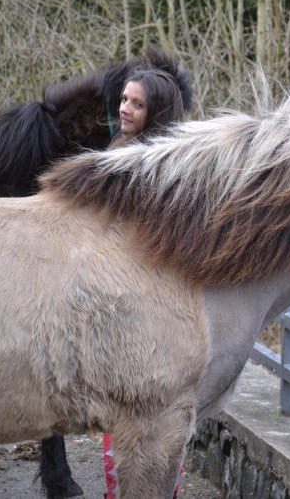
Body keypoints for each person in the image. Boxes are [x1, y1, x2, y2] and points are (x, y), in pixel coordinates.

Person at [101, 68, 188, 499]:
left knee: (158, 426)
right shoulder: (118, 149)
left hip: (156, 310)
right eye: (123, 99)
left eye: (137, 103)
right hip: (116, 301)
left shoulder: (166, 167)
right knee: (118, 423)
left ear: (157, 111)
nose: (124, 109)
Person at [108, 68, 186, 148]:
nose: (123, 109)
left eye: (138, 105)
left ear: (158, 114)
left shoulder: (164, 154)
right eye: (125, 99)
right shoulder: (120, 146)